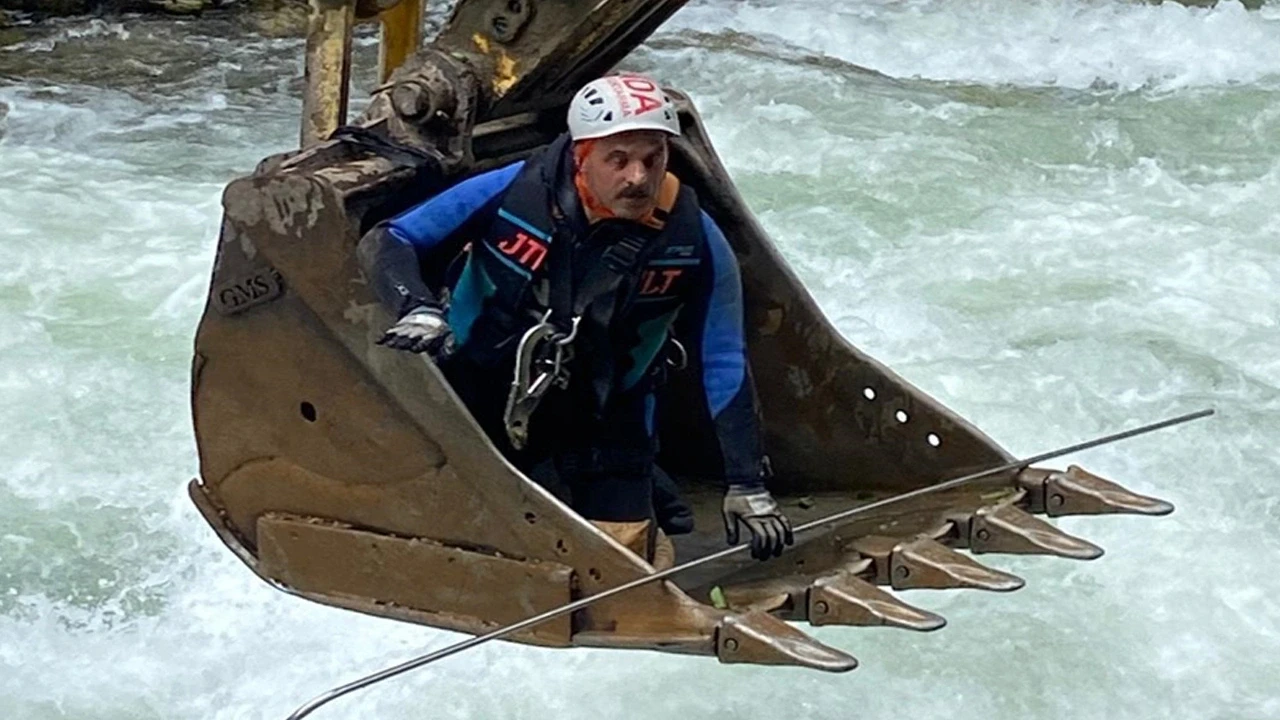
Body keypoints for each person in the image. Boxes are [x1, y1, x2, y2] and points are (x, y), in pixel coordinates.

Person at [357, 73, 792, 567]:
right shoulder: (516, 189)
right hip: (475, 391)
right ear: (582, 158)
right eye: (618, 160)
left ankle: (639, 486)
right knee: (463, 524)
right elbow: (393, 239)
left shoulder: (696, 240)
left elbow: (724, 357)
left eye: (653, 159)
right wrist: (417, 307)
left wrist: (747, 484)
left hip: (608, 416)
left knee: (626, 562)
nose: (638, 178)